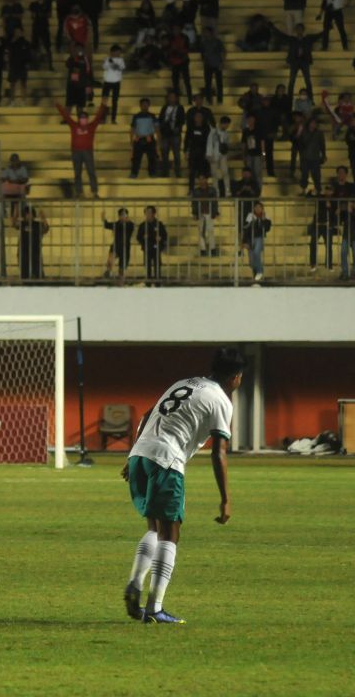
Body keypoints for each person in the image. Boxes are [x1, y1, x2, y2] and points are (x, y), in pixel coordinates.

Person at [122, 347, 245, 624]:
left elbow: (146, 415)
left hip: (140, 455)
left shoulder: (183, 383)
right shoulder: (221, 400)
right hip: (167, 460)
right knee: (171, 533)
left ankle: (134, 584)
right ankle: (154, 609)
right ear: (236, 377)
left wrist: (133, 455)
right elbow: (219, 451)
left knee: (154, 527)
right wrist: (225, 498)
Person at [55, 102, 106, 198]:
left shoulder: (92, 126)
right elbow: (66, 116)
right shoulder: (73, 125)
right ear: (79, 119)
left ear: (87, 119)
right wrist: (59, 106)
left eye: (84, 117)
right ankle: (79, 192)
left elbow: (98, 116)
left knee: (91, 171)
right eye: (81, 117)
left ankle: (94, 192)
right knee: (77, 173)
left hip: (88, 152)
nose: (83, 119)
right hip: (76, 152)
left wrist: (103, 105)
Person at [15, 204, 49, 281]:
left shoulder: (37, 224)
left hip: (35, 252)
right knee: (24, 275)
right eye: (27, 214)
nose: (28, 216)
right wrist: (16, 210)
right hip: (23, 252)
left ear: (33, 215)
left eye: (30, 214)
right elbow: (14, 224)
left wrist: (43, 218)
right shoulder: (22, 223)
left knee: (38, 274)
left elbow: (46, 229)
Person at [136, 205, 167, 283]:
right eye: (147, 212)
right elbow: (138, 237)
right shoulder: (142, 225)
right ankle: (148, 282)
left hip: (156, 247)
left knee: (157, 265)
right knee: (147, 265)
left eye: (150, 212)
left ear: (154, 213)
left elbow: (165, 235)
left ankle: (158, 282)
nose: (148, 214)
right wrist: (143, 238)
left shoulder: (159, 224)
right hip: (147, 247)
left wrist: (160, 238)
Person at [242, 201, 271, 282]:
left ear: (262, 209)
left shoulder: (266, 217)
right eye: (256, 207)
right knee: (251, 261)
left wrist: (263, 220)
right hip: (250, 239)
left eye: (259, 207)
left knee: (256, 253)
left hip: (259, 238)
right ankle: (257, 272)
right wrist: (244, 241)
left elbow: (267, 229)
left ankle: (259, 272)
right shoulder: (250, 216)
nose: (258, 209)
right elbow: (246, 229)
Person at [102, 208, 135, 281]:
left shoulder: (130, 224)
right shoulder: (116, 224)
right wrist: (103, 218)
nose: (123, 216)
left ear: (127, 215)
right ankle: (109, 271)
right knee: (110, 259)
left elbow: (131, 227)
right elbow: (106, 225)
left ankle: (120, 284)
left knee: (122, 269)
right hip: (116, 245)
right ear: (119, 216)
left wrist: (127, 221)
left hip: (125, 248)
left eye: (124, 215)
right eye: (121, 215)